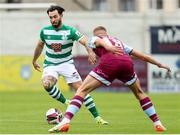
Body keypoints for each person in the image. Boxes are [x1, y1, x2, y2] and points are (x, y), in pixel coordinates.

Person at [48, 26, 171, 133]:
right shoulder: (119, 42)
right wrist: (160, 64)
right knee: (139, 93)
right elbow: (143, 56)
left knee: (82, 90)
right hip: (126, 64)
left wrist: (107, 47)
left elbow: (101, 42)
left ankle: (66, 121)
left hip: (110, 63)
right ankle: (157, 123)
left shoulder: (95, 38)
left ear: (97, 34)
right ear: (107, 33)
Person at [32, 6, 121, 125]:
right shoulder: (45, 31)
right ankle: (66, 102)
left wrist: (90, 52)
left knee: (81, 89)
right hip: (50, 64)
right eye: (50, 18)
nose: (53, 20)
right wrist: (34, 60)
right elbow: (39, 46)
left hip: (66, 64)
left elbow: (85, 41)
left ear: (61, 16)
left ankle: (97, 118)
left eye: (55, 17)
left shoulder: (71, 31)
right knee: (47, 84)